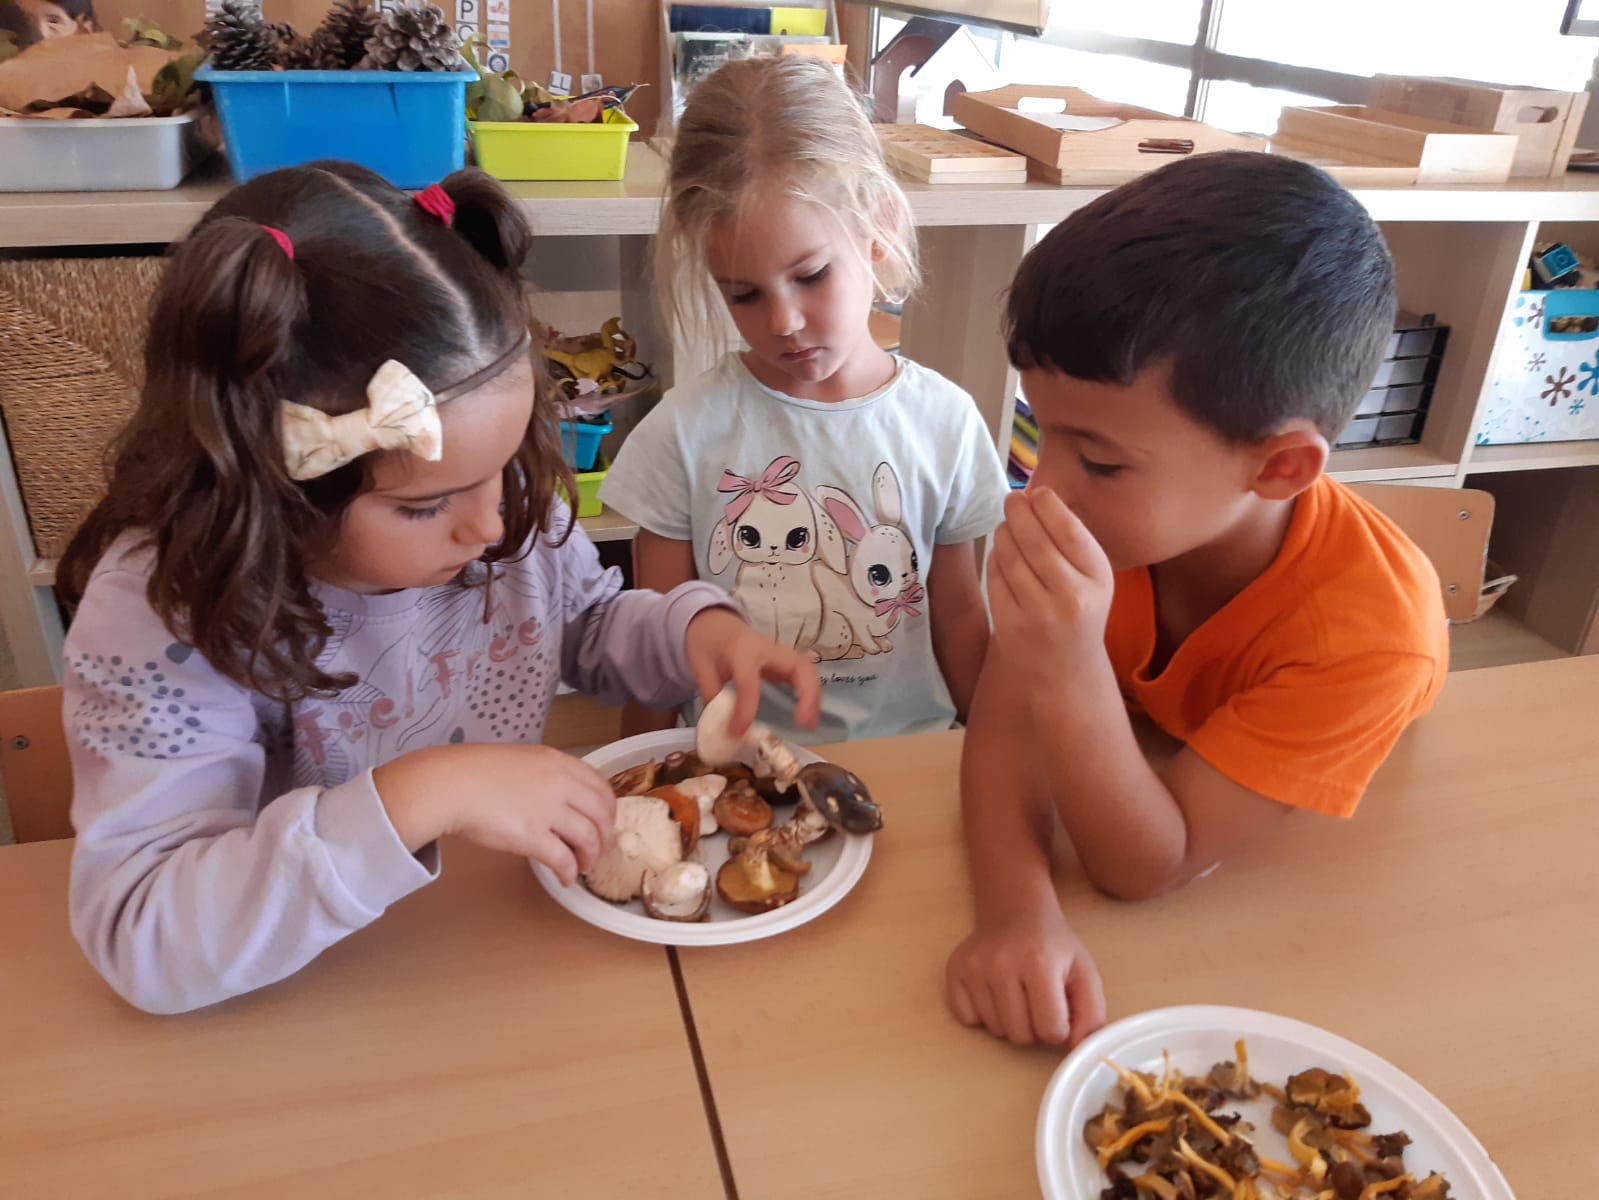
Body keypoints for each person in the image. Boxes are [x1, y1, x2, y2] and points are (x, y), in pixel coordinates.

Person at [55, 162, 819, 1015]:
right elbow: (144, 938)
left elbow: (586, 623)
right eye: (424, 506)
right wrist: (425, 793)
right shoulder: (169, 613)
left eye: (507, 464)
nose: (491, 526)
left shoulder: (499, 505)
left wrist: (688, 634)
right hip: (299, 999)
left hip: (486, 952)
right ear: (268, 494)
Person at [946, 152, 1448, 1047]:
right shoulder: (1119, 529)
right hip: (1151, 753)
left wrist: (1064, 663)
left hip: (1321, 875)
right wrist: (1017, 912)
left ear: (1278, 467)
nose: (1042, 489)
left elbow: (1147, 865)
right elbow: (1002, 727)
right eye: (1035, 431)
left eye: (1098, 461)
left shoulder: (1370, 639)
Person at [599, 54, 1007, 745]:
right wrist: (631, 771)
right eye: (743, 295)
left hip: (912, 754)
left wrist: (996, 748)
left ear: (876, 227)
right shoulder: (683, 433)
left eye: (811, 275)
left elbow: (961, 617)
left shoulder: (946, 422)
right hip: (741, 765)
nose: (783, 321)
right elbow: (660, 647)